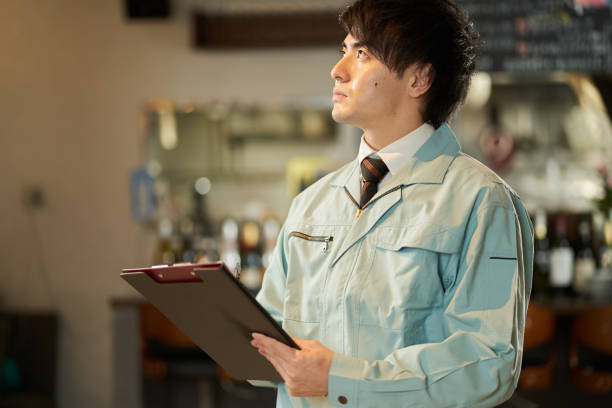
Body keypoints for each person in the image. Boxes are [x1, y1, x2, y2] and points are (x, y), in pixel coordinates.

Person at [250, 0, 534, 407]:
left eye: (362, 53)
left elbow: (486, 364)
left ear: (419, 78)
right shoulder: (310, 205)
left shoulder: (483, 202)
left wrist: (344, 379)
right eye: (343, 50)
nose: (339, 69)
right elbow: (264, 347)